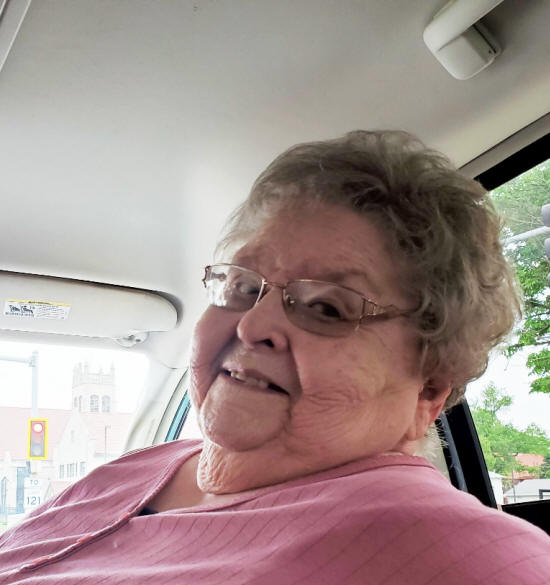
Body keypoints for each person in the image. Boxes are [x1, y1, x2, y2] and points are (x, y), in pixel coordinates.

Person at [1, 130, 549, 584]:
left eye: (327, 308)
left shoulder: (454, 553)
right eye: (243, 287)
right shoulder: (134, 468)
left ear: (427, 391)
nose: (252, 324)